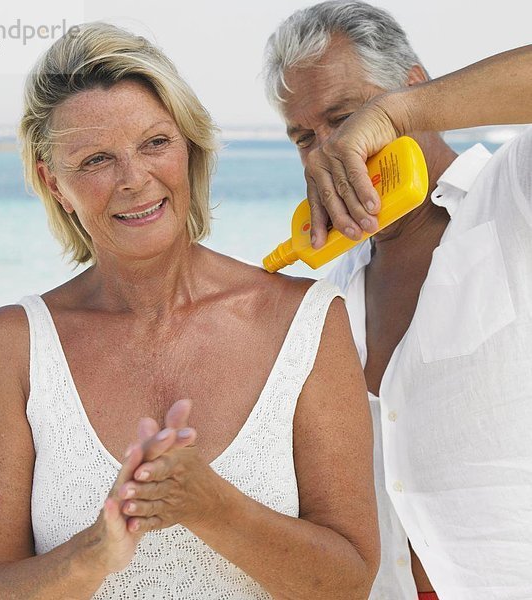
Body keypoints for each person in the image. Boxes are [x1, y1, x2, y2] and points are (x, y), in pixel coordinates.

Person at [0, 21, 380, 600]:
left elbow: (349, 583)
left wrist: (214, 508)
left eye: (155, 143)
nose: (134, 180)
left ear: (189, 147)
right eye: (97, 159)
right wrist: (93, 554)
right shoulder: (9, 347)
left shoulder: (306, 321)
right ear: (55, 184)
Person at [263, 2, 532, 599]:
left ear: (414, 84)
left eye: (346, 115)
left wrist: (396, 116)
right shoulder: (328, 294)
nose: (327, 151)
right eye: (305, 137)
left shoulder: (514, 193)